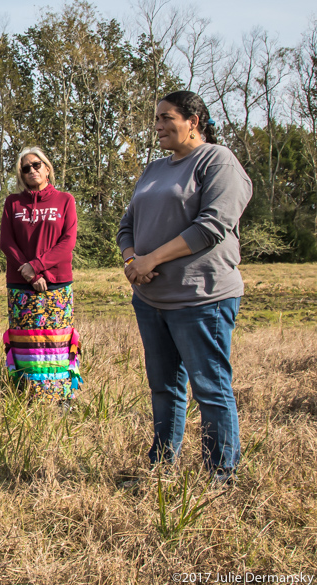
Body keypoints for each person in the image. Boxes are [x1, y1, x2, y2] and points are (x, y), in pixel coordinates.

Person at [116, 90, 252, 481]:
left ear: (194, 120)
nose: (158, 125)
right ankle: (162, 463)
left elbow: (211, 227)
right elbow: (127, 225)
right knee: (163, 387)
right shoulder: (154, 169)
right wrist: (131, 261)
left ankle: (221, 474)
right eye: (156, 118)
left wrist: (152, 259)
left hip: (201, 298)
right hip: (151, 298)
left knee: (209, 388)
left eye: (166, 117)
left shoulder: (218, 161)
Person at [0, 147, 82, 402]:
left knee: (55, 341)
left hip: (56, 284)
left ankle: (61, 397)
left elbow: (67, 241)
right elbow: (6, 241)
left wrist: (36, 266)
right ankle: (26, 394)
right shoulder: (13, 202)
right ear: (21, 174)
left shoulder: (65, 200)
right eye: (26, 168)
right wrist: (30, 274)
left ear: (47, 168)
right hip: (21, 284)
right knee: (27, 342)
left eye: (36, 165)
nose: (32, 170)